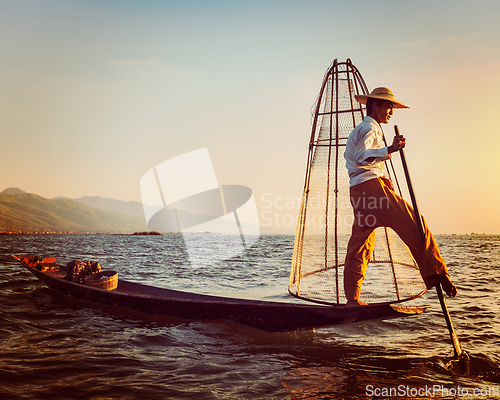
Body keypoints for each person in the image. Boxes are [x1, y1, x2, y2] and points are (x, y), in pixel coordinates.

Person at [343, 87, 457, 306]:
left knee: (361, 244)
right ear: (374, 105)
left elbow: (359, 159)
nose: (391, 112)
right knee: (416, 223)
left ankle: (352, 298)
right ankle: (437, 273)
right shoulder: (369, 128)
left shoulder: (364, 128)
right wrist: (391, 148)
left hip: (359, 192)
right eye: (388, 106)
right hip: (371, 188)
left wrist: (385, 159)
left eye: (392, 108)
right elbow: (359, 157)